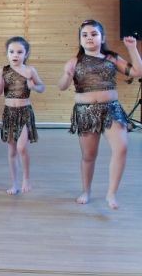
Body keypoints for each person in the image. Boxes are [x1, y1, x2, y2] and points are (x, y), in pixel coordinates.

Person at [58, 19, 142, 209]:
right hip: (85, 112)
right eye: (85, 35)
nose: (89, 37)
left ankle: (111, 193)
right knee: (89, 155)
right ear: (80, 39)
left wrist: (132, 48)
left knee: (121, 148)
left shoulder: (111, 58)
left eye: (94, 34)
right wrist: (67, 75)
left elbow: (137, 71)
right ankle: (86, 191)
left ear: (102, 38)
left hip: (111, 109)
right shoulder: (75, 61)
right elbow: (62, 87)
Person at [0, 37, 45, 195]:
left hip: (24, 112)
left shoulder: (30, 70)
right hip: (9, 113)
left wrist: (34, 87)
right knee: (12, 151)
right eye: (11, 52)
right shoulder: (3, 70)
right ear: (7, 53)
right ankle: (14, 183)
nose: (15, 55)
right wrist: (0, 82)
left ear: (26, 54)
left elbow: (42, 87)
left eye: (19, 52)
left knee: (21, 147)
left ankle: (26, 178)